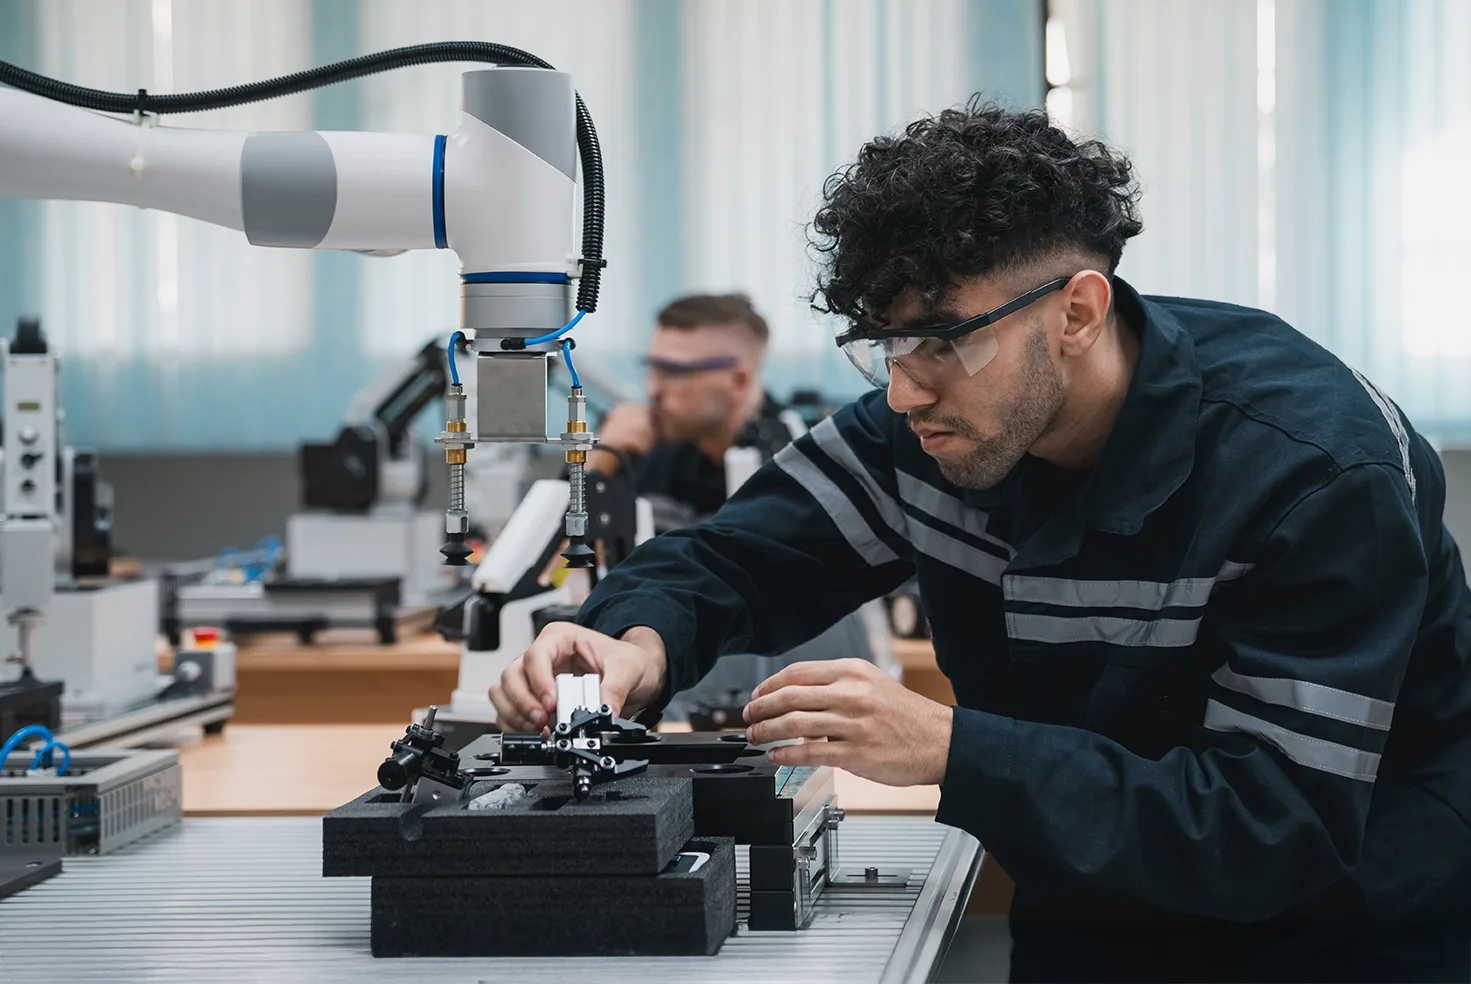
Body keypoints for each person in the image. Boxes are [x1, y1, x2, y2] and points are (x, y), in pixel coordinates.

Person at [492, 101, 1471, 982]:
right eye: (885, 345)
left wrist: (949, 749)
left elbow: (1271, 828)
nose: (904, 390)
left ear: (1078, 312)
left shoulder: (1313, 472)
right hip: (1089, 910)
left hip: (1340, 933)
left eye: (945, 341)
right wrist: (634, 641)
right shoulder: (921, 428)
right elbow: (732, 559)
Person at [588, 292, 800, 523]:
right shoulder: (645, 444)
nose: (653, 391)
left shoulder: (795, 467)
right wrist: (599, 462)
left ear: (739, 382)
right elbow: (562, 554)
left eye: (672, 372)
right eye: (652, 369)